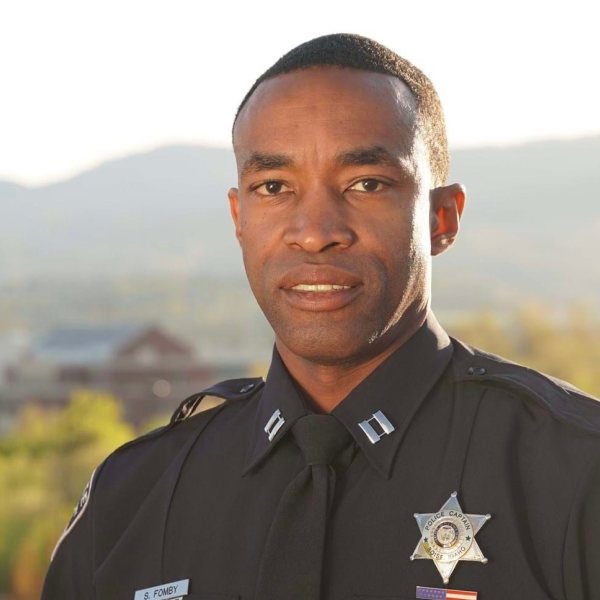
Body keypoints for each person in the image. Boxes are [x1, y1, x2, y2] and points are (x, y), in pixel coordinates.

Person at [41, 33, 600, 600]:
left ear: (441, 219)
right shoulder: (131, 495)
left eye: (366, 184)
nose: (313, 233)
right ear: (239, 218)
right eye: (273, 187)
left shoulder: (578, 476)